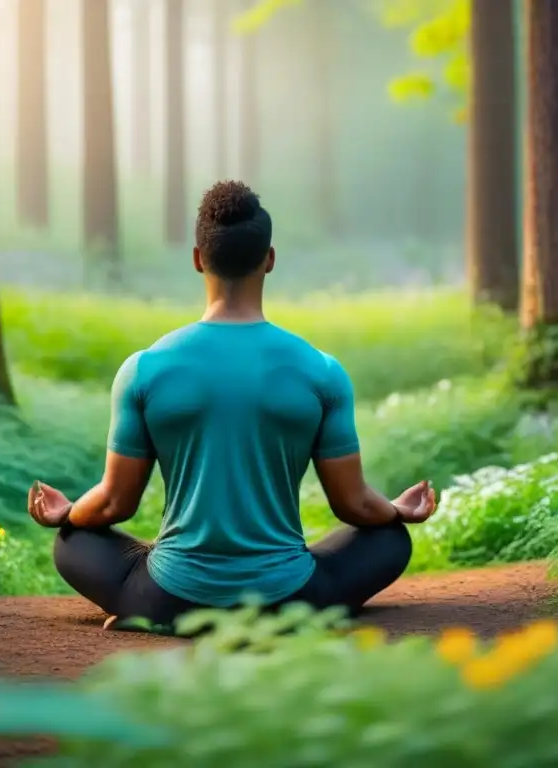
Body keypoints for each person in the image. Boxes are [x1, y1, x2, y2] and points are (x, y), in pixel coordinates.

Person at [27, 180, 438, 633]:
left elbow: (112, 505)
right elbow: (355, 505)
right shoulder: (321, 371)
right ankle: (306, 612)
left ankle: (148, 610)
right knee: (389, 540)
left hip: (170, 596)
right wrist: (397, 511)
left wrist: (68, 514)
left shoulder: (143, 368)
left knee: (72, 542)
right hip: (290, 597)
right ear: (270, 259)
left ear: (198, 258)